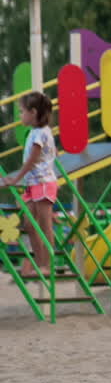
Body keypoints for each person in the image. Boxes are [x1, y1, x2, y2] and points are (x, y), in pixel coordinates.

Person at [1, 93, 58, 280]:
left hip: (42, 183)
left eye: (21, 112)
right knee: (29, 224)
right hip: (33, 184)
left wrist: (16, 178)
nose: (20, 116)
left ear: (33, 112)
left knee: (44, 223)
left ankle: (47, 264)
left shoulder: (41, 133)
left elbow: (32, 161)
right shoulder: (34, 132)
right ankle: (40, 262)